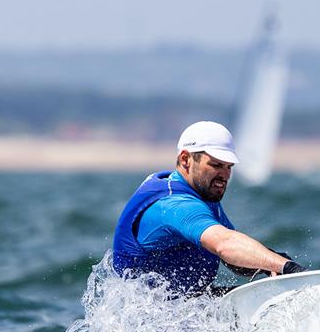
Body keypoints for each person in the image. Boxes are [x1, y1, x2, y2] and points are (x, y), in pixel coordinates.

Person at [112, 120, 304, 295]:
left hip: (186, 307)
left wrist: (270, 263)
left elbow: (232, 257)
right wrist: (289, 268)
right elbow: (225, 244)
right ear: (186, 159)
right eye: (216, 165)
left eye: (229, 167)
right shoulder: (173, 205)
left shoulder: (203, 195)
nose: (225, 175)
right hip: (153, 319)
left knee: (275, 293)